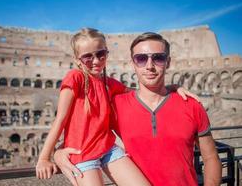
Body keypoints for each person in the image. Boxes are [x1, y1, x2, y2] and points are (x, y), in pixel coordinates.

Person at [53, 32, 222, 186]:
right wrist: (58, 153)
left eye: (158, 58)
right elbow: (86, 132)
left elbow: (210, 157)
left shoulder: (191, 105)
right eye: (141, 58)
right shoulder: (116, 105)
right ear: (133, 63)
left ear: (168, 62)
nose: (149, 65)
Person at [36, 28, 150, 186]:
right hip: (82, 154)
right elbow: (60, 119)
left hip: (109, 149)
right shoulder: (75, 78)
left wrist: (171, 88)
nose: (96, 61)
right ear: (77, 59)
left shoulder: (109, 83)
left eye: (100, 54)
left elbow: (140, 93)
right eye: (88, 57)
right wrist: (44, 158)